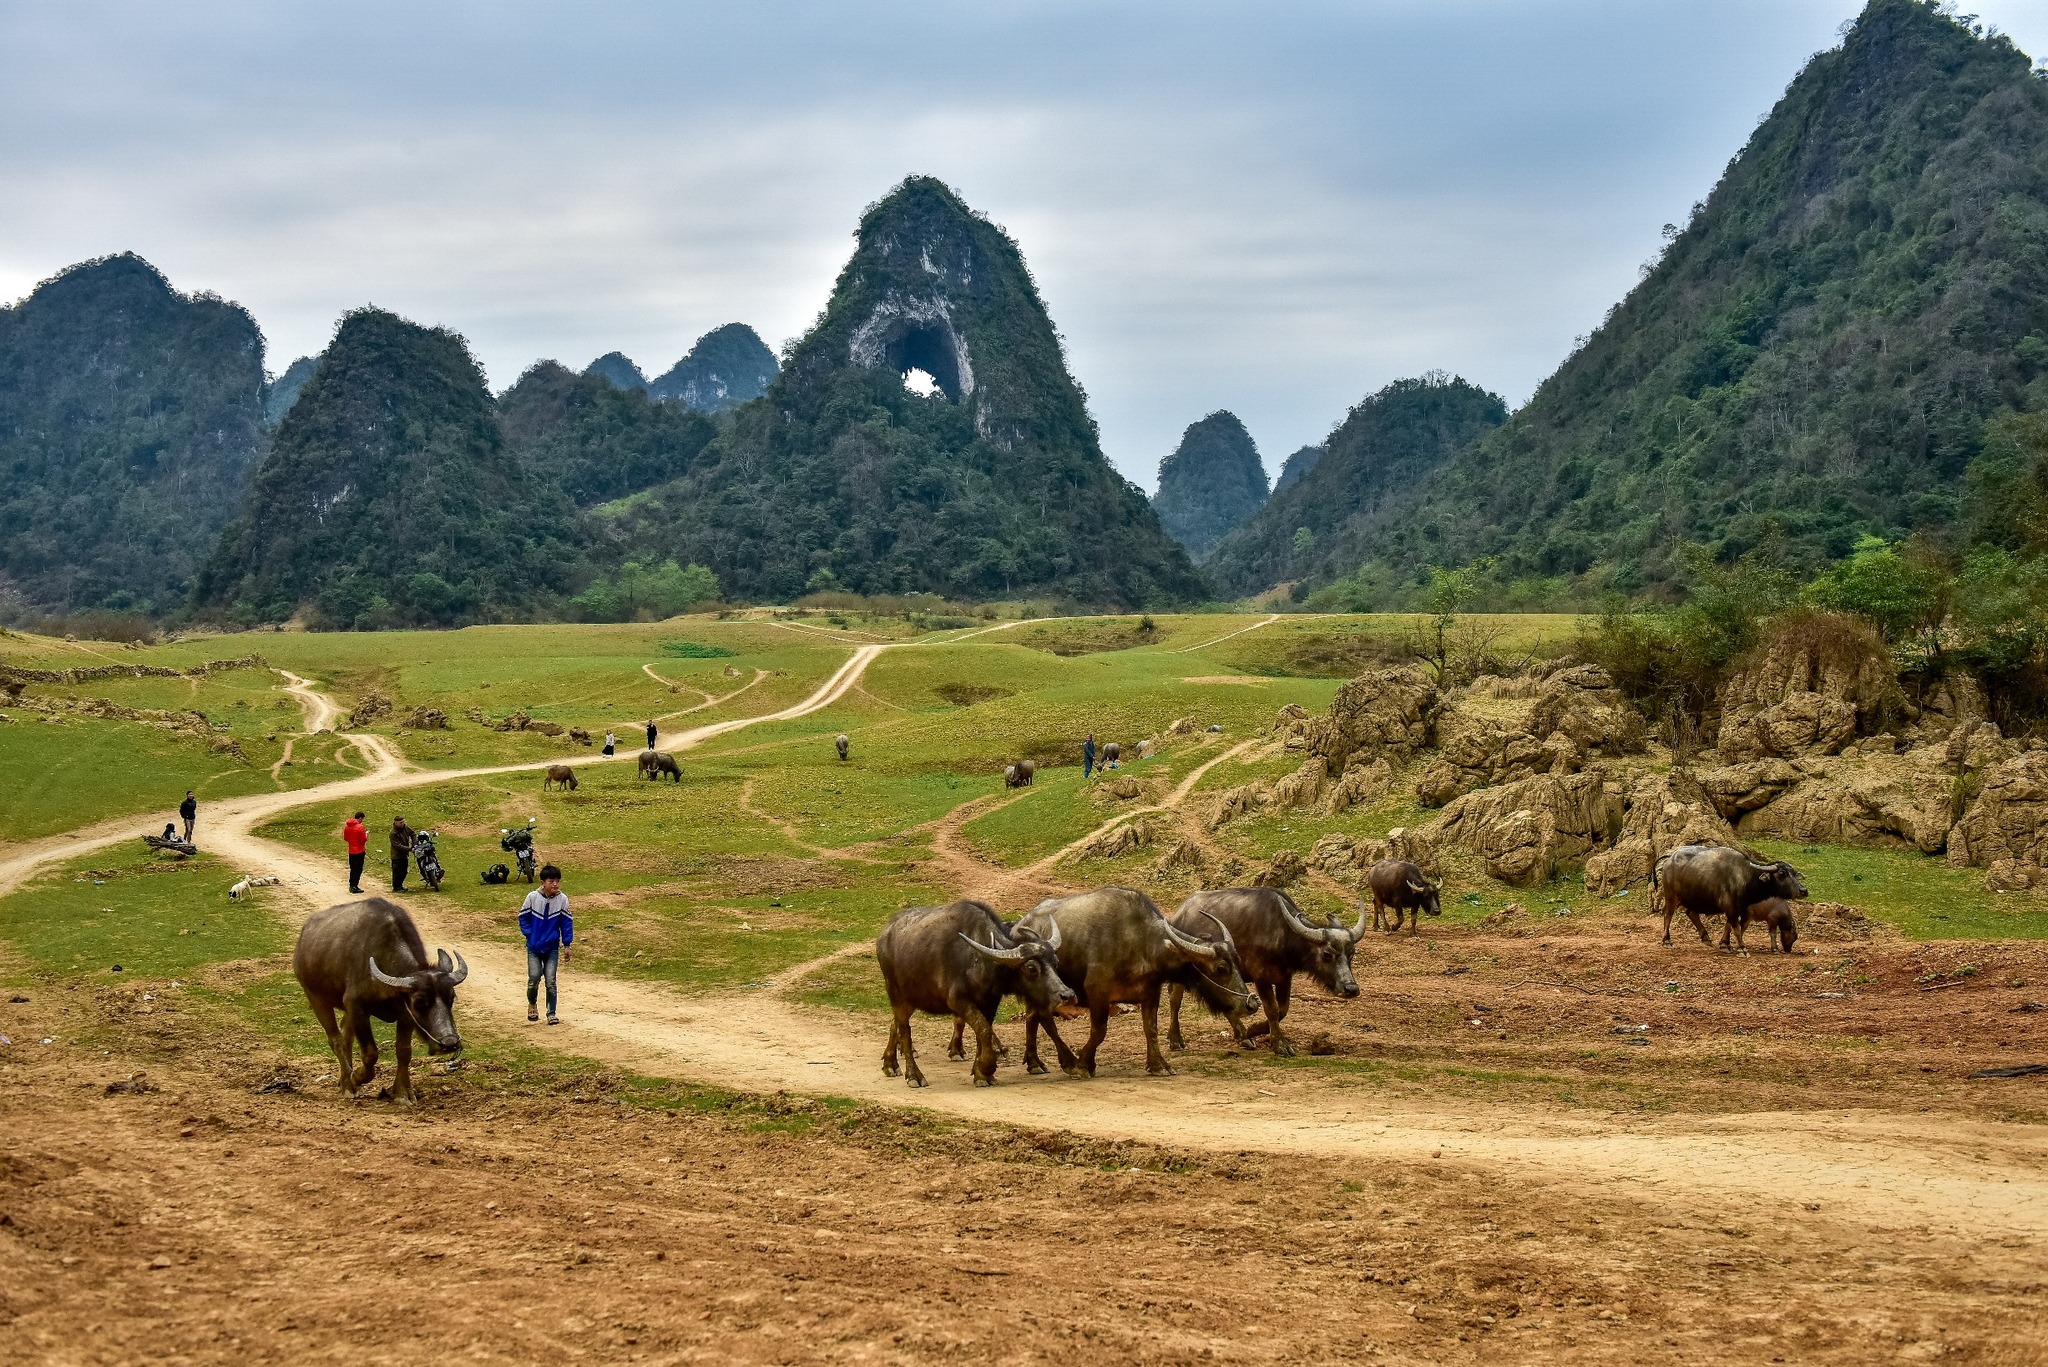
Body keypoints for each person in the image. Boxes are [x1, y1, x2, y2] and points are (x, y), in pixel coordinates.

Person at [518, 864, 573, 1025]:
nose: (555, 884)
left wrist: (567, 944)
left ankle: (551, 1013)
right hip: (534, 947)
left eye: (557, 881)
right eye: (551, 881)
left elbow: (567, 923)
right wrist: (530, 934)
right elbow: (523, 918)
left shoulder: (562, 900)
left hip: (552, 947)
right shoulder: (532, 897)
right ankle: (532, 1004)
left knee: (551, 981)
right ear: (543, 882)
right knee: (534, 978)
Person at [343, 811, 369, 894]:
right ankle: (355, 886)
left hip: (351, 851)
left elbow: (346, 838)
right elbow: (363, 840)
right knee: (358, 869)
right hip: (359, 851)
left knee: (353, 868)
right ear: (360, 818)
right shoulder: (360, 827)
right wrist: (366, 834)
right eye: (362, 819)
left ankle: (351, 885)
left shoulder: (347, 826)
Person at [390, 815, 413, 893]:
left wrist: (414, 843)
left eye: (403, 822)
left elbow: (413, 833)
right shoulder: (393, 833)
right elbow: (397, 846)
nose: (402, 824)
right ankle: (396, 887)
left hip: (404, 854)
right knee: (397, 872)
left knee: (404, 871)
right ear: (396, 823)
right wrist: (409, 849)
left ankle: (400, 886)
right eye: (400, 822)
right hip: (396, 856)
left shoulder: (405, 828)